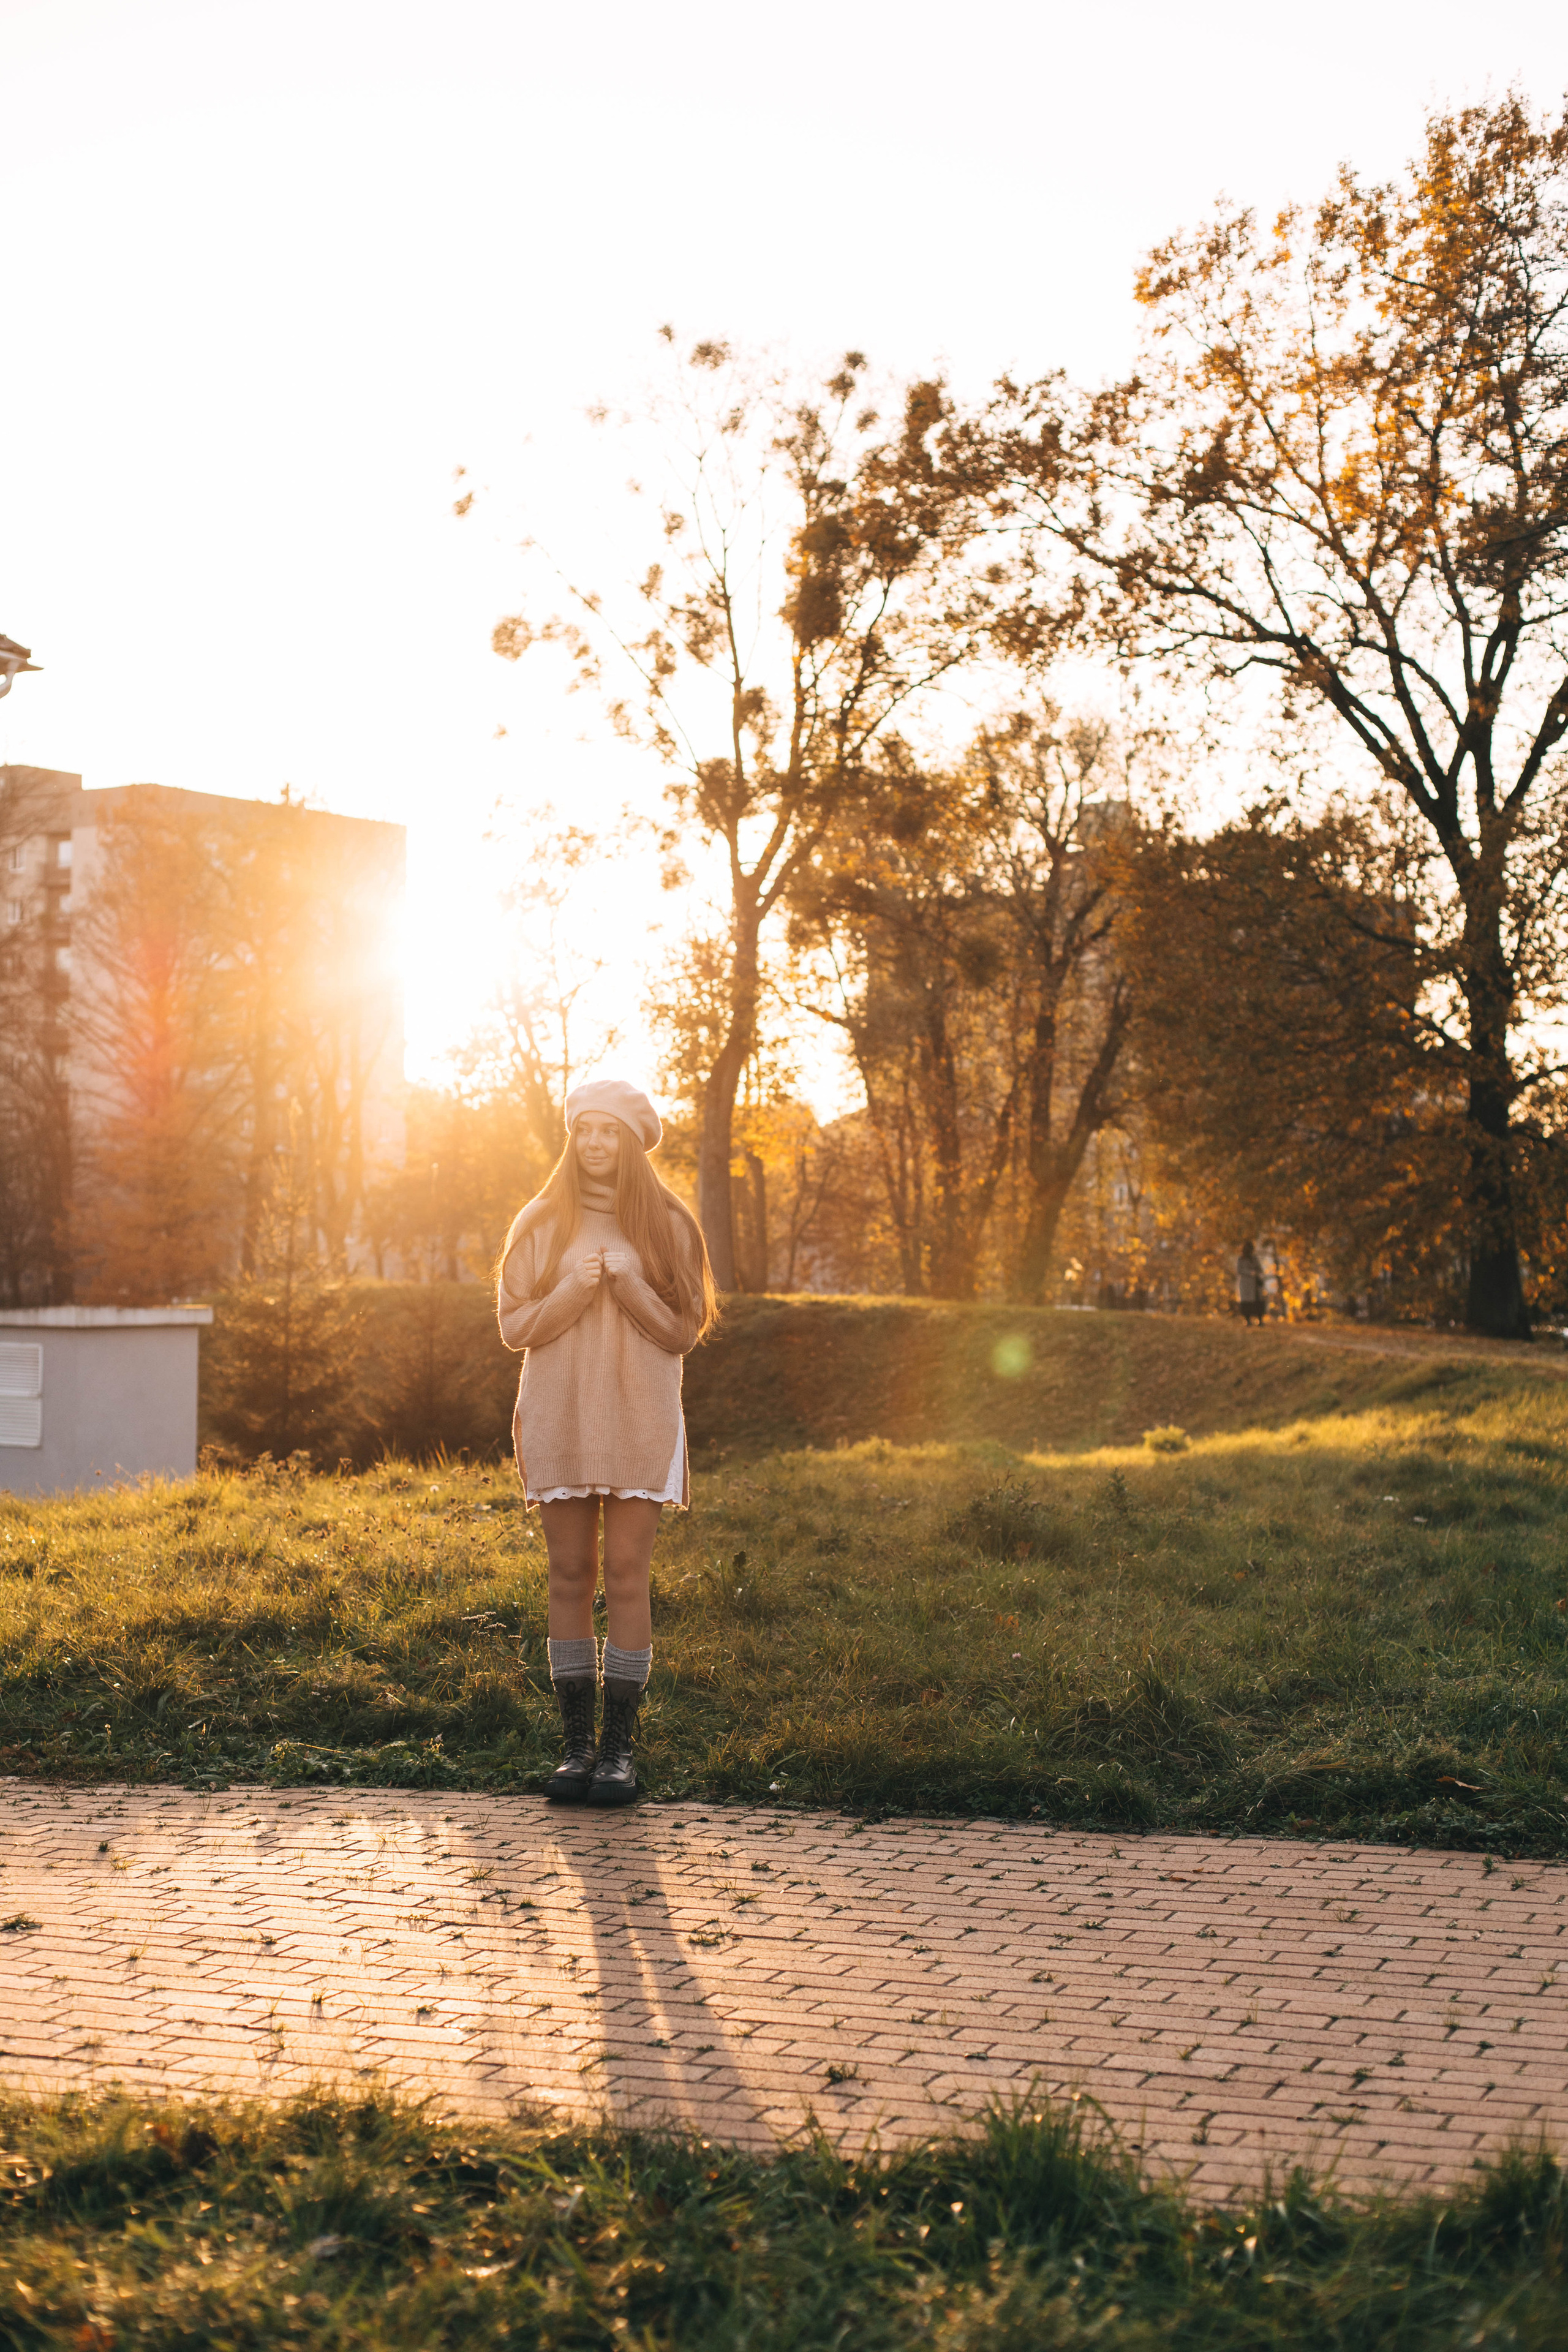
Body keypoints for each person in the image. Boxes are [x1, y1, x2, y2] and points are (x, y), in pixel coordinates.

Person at [496, 1077, 717, 1806]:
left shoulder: (668, 1224)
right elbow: (513, 1328)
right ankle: (575, 1747)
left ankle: (620, 1752)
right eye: (584, 1130)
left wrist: (628, 1287)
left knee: (625, 1574)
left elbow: (684, 1331)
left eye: (608, 1132)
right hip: (560, 1414)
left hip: (638, 1419)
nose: (594, 1144)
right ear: (572, 1137)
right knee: (568, 1576)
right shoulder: (540, 1221)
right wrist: (568, 1295)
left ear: (631, 1141)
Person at [1236, 1240, 1265, 1328]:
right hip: (1245, 1284)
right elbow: (1239, 1270)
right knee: (1247, 1303)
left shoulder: (1255, 1259)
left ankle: (1260, 1320)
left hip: (1255, 1284)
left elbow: (1260, 1269)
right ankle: (1248, 1320)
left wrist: (1256, 1273)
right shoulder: (1241, 1259)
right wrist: (1250, 1273)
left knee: (1258, 1302)